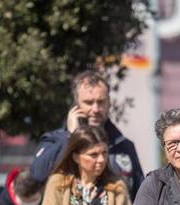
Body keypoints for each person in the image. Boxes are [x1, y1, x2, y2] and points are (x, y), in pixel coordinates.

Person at [30, 70, 144, 198]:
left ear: (109, 103)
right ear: (76, 105)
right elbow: (37, 176)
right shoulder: (56, 141)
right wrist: (72, 138)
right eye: (88, 102)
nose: (95, 109)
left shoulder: (123, 146)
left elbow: (141, 197)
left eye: (101, 102)